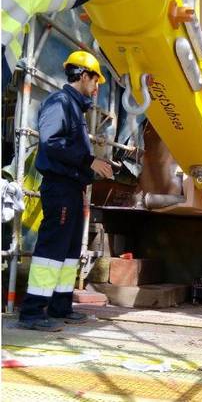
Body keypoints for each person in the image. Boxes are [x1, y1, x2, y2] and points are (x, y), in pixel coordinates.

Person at [18, 51, 114, 331]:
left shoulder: (73, 107)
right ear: (83, 76)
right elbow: (51, 142)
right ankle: (33, 313)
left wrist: (93, 165)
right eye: (96, 81)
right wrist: (89, 160)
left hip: (72, 187)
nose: (97, 88)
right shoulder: (60, 103)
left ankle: (60, 306)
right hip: (60, 187)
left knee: (69, 250)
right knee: (52, 248)